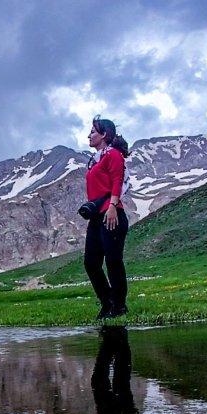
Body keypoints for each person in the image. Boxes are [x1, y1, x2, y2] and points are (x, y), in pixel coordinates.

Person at [84, 117, 130, 319]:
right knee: (91, 262)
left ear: (104, 135)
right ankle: (108, 302)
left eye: (93, 132)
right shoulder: (96, 160)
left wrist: (112, 206)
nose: (89, 135)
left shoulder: (114, 155)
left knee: (113, 261)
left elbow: (117, 181)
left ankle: (119, 306)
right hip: (96, 217)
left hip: (112, 213)